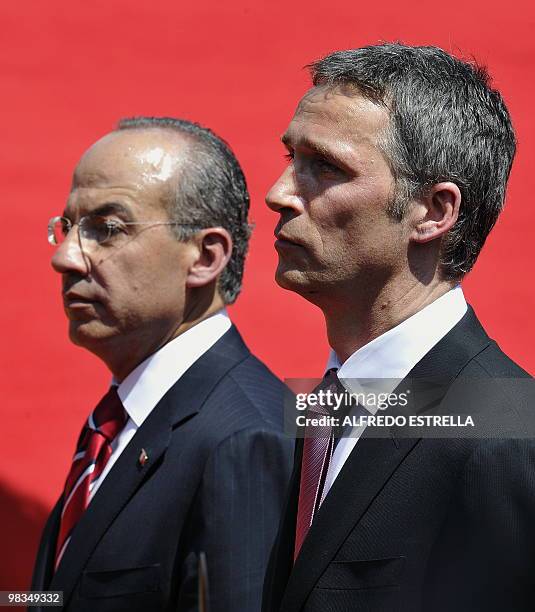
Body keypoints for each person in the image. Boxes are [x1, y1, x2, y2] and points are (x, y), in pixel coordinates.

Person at [262, 43, 535, 612]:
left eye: (326, 168)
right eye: (291, 158)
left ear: (434, 212)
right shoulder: (317, 411)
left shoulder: (506, 439)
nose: (279, 193)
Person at [31, 116, 293, 612]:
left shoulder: (244, 439)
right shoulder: (115, 426)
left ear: (205, 256)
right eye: (67, 228)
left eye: (106, 229)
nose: (65, 258)